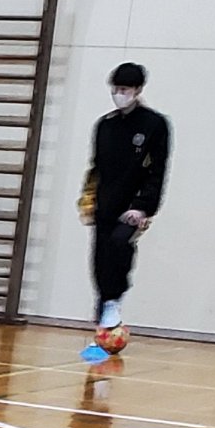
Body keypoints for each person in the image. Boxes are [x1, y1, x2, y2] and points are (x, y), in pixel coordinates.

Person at [81, 61, 170, 334]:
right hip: (105, 202)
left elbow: (157, 171)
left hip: (133, 205)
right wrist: (88, 199)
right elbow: (96, 167)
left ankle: (113, 301)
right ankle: (103, 317)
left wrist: (143, 207)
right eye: (116, 89)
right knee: (100, 260)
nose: (119, 94)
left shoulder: (154, 124)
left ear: (137, 90)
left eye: (125, 89)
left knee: (119, 245)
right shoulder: (105, 125)